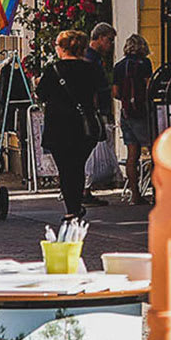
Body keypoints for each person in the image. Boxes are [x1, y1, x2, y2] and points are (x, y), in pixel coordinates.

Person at [38, 30, 111, 220]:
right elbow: (98, 94)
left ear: (62, 48)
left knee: (65, 168)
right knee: (77, 166)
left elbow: (41, 95)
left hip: (58, 126)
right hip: (84, 126)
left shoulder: (53, 70)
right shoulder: (91, 69)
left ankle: (72, 208)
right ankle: (76, 206)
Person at [113, 34, 156, 206]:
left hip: (126, 113)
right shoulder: (144, 64)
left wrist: (127, 101)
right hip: (142, 113)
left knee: (132, 155)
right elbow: (149, 87)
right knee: (155, 153)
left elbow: (115, 92)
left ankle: (135, 195)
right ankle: (156, 194)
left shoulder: (118, 66)